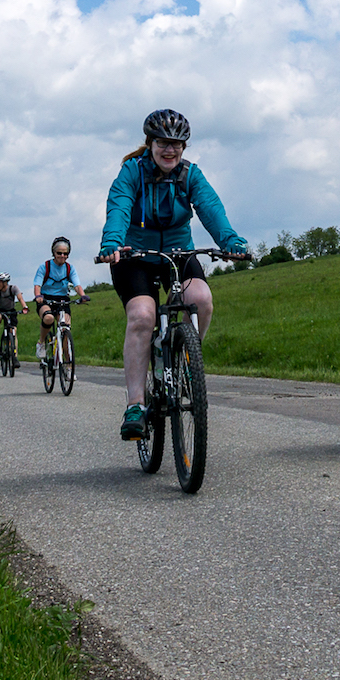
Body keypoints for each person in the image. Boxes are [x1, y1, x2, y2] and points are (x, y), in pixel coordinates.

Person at [98, 109, 248, 441]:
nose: (171, 151)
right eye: (164, 143)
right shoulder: (131, 173)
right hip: (134, 255)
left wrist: (230, 241)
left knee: (201, 299)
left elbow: (210, 207)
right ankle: (135, 405)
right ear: (150, 143)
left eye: (178, 145)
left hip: (179, 252)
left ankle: (185, 362)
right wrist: (112, 243)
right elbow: (119, 207)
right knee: (142, 315)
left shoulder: (190, 175)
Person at [31, 236, 86, 367]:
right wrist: (38, 296)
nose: (62, 256)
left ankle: (68, 367)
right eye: (59, 253)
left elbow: (77, 285)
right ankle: (42, 343)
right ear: (53, 253)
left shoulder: (69, 268)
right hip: (45, 299)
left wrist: (83, 295)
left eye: (65, 253)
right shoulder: (44, 267)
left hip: (62, 300)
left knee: (66, 332)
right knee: (48, 318)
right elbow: (37, 285)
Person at [0, 274, 27, 366]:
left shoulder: (13, 288)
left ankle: (15, 356)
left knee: (13, 331)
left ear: (5, 283)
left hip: (11, 311)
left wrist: (24, 307)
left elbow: (20, 298)